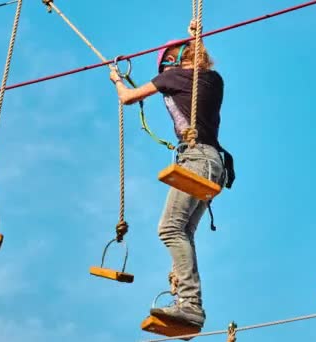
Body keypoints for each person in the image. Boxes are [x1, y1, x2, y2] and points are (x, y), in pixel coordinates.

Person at [109, 21, 234, 329]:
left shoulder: (173, 76)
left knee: (169, 229)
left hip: (196, 160)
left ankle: (190, 304)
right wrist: (196, 37)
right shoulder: (214, 79)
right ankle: (191, 306)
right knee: (183, 231)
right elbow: (198, 60)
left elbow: (128, 98)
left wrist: (116, 81)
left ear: (173, 61)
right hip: (213, 164)